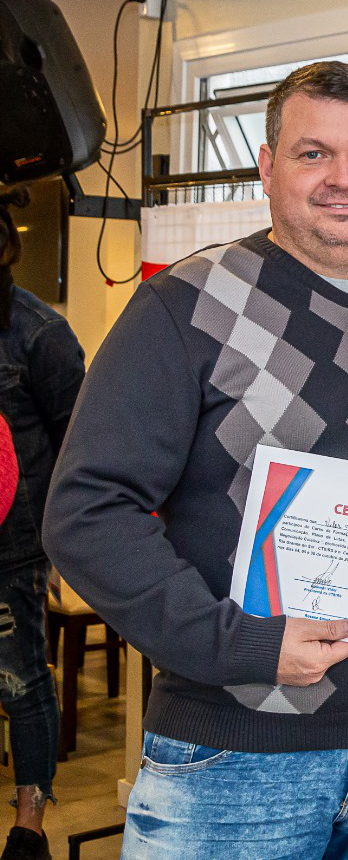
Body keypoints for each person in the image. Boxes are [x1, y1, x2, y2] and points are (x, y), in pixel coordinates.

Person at [43, 62, 348, 858]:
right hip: (237, 757)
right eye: (312, 154)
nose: (343, 178)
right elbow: (87, 512)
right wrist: (245, 646)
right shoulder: (185, 306)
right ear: (267, 166)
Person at [0, 186, 85, 860]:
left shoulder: (39, 334)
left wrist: (61, 544)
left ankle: (29, 823)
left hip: (12, 545)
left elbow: (79, 452)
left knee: (22, 678)